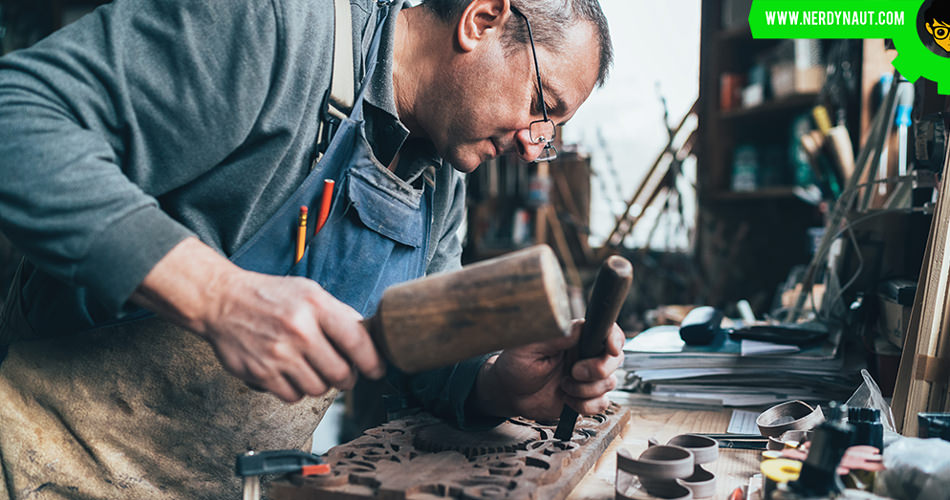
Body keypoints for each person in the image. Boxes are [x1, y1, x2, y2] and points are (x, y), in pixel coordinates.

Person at [0, 0, 620, 498]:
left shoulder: (441, 182)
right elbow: (19, 119)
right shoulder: (272, 24)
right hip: (44, 463)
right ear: (481, 17)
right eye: (543, 107)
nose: (532, 142)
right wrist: (215, 295)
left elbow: (413, 350)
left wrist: (494, 384)